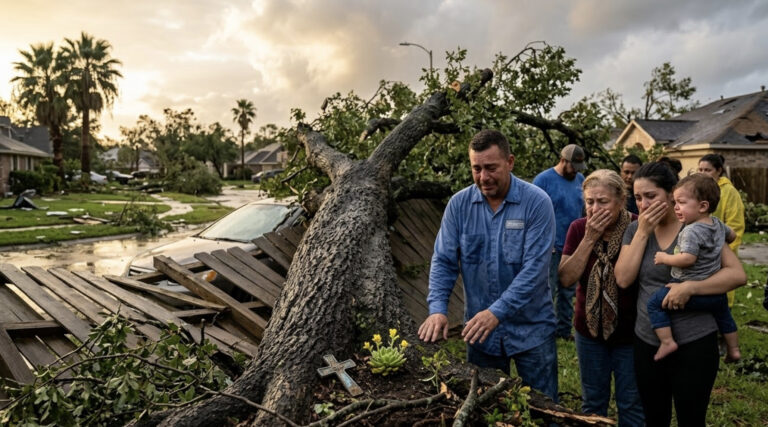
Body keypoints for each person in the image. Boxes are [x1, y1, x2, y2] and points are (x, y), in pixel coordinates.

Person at [418, 129, 558, 401]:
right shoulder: (459, 205)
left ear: (510, 162)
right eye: (477, 168)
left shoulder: (537, 203)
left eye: (491, 168)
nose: (483, 177)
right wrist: (437, 309)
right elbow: (444, 261)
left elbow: (535, 270)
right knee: (487, 407)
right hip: (481, 335)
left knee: (544, 410)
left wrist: (497, 312)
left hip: (532, 330)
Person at [614, 162, 746, 426]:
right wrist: (642, 232)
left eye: (651, 196)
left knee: (691, 417)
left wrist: (690, 287)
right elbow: (623, 279)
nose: (643, 204)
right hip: (648, 339)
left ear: (672, 193)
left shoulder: (697, 228)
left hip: (695, 339)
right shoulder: (634, 230)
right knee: (654, 416)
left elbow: (737, 275)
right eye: (638, 198)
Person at [558, 169, 644, 426]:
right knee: (593, 402)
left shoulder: (638, 227)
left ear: (620, 200)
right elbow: (565, 278)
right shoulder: (578, 228)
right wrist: (589, 239)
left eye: (603, 201)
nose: (595, 208)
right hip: (589, 332)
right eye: (589, 202)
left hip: (631, 333)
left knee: (631, 403)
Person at [650, 174, 740, 362]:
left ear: (703, 206)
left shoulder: (690, 230)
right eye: (674, 202)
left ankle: (667, 342)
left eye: (681, 202)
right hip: (715, 290)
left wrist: (665, 258)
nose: (675, 207)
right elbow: (731, 236)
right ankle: (734, 349)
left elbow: (688, 259)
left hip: (690, 287)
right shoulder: (716, 224)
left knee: (654, 304)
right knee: (724, 316)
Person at [533, 144, 586, 339]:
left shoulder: (580, 180)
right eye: (573, 166)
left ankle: (563, 331)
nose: (576, 172)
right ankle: (544, 330)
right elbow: (533, 215)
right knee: (548, 290)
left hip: (572, 245)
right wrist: (542, 243)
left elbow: (583, 211)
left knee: (568, 291)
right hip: (550, 246)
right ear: (563, 161)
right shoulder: (543, 181)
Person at [698, 154, 746, 307]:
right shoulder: (697, 190)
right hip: (700, 251)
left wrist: (724, 251)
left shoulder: (729, 192)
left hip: (721, 252)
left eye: (708, 170)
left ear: (719, 171)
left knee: (721, 294)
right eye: (700, 169)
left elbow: (736, 225)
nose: (703, 173)